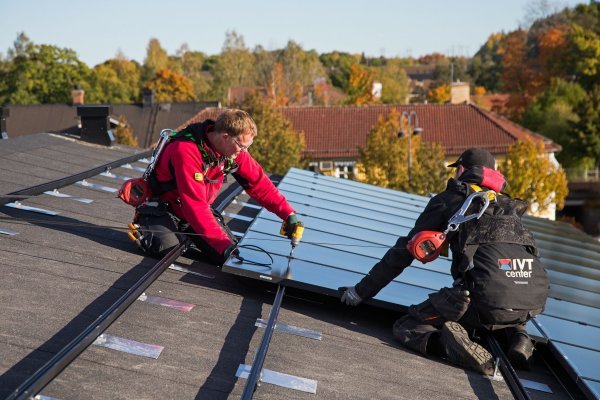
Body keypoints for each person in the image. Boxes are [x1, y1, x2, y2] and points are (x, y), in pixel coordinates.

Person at [340, 148, 549, 374]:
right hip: (529, 304)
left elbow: (405, 251)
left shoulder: (452, 199)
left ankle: (447, 346)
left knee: (408, 326)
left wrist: (361, 292)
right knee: (504, 300)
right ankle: (520, 338)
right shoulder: (509, 206)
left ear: (460, 170)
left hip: (478, 301)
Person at [134, 109, 302, 265]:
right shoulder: (186, 150)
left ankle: (187, 236)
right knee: (167, 250)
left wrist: (288, 213)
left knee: (229, 256)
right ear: (225, 136)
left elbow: (259, 184)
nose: (244, 151)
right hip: (162, 208)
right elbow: (195, 206)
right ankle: (147, 229)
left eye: (247, 147)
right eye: (242, 146)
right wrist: (223, 246)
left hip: (192, 213)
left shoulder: (233, 152)